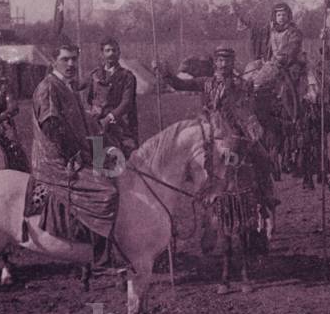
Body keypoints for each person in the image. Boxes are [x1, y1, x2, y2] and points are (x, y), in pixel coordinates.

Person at [156, 46, 277, 211]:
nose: (224, 64)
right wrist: (166, 74)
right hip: (210, 130)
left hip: (236, 133)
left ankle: (267, 194)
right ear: (215, 63)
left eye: (227, 60)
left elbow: (247, 108)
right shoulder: (206, 83)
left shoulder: (241, 84)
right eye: (220, 60)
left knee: (262, 157)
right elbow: (181, 84)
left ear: (232, 62)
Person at [31, 40, 119, 264]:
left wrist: (103, 155)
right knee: (107, 192)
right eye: (65, 59)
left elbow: (88, 127)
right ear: (53, 61)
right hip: (56, 162)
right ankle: (101, 259)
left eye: (74, 59)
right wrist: (74, 157)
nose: (71, 64)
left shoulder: (68, 86)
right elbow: (51, 127)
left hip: (79, 155)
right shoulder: (49, 87)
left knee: (117, 175)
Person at [83, 37, 139, 156]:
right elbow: (89, 98)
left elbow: (127, 103)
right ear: (102, 54)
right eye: (107, 51)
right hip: (96, 123)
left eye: (114, 50)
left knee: (127, 159)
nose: (111, 54)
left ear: (119, 53)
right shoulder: (95, 75)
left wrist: (108, 118)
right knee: (95, 159)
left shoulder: (127, 76)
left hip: (118, 123)